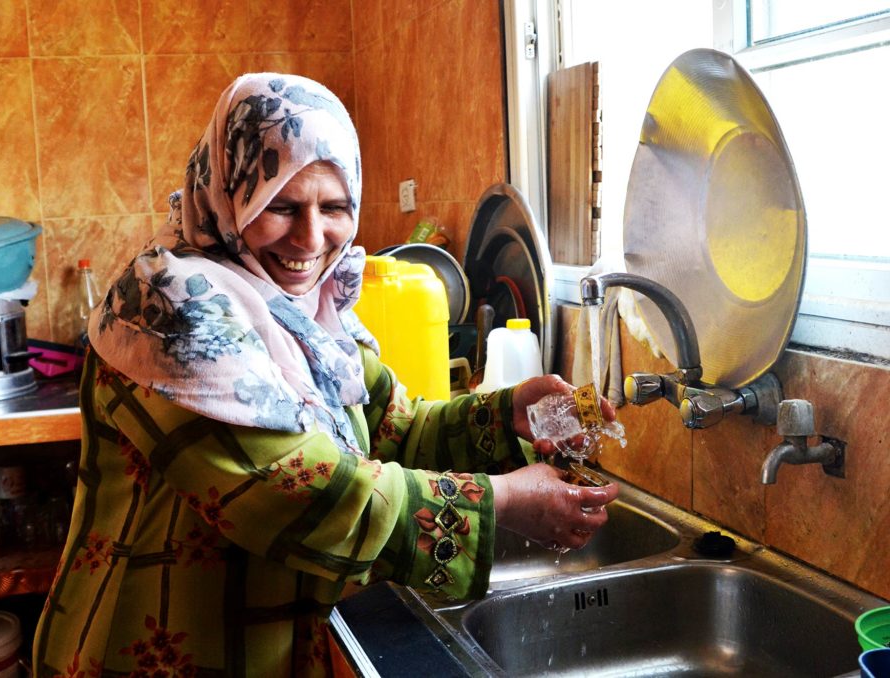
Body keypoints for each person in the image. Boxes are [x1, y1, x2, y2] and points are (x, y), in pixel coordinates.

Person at [32, 72, 619, 677]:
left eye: (334, 207)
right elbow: (292, 493)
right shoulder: (173, 308)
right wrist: (502, 502)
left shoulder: (302, 312)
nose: (312, 238)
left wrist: (506, 409)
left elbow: (391, 426)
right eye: (281, 207)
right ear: (231, 195)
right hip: (154, 652)